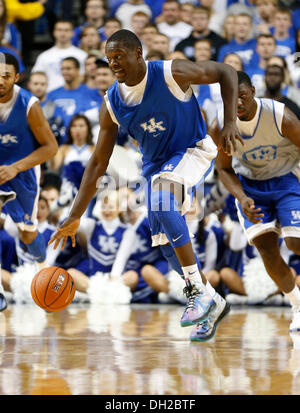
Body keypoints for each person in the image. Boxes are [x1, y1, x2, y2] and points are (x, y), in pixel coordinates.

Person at [49, 29, 241, 342]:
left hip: (192, 149)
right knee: (165, 246)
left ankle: (198, 293)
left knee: (165, 202)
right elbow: (98, 163)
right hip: (154, 167)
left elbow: (226, 72)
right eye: (109, 59)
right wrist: (75, 215)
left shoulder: (170, 72)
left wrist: (230, 121)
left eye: (119, 57)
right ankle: (212, 300)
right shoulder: (111, 101)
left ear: (138, 53)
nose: (113, 64)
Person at [209, 70, 300, 332]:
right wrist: (242, 197)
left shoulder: (280, 114)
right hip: (250, 186)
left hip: (286, 178)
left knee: (295, 242)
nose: (237, 103)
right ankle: (297, 305)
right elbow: (223, 169)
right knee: (267, 249)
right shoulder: (219, 125)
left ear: (253, 93)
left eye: (242, 96)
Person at [0, 52, 58, 311]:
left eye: (6, 76)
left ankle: (42, 266)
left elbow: (50, 148)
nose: (0, 81)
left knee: (27, 232)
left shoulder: (28, 104)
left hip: (22, 173)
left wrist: (15, 167)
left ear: (17, 77)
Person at [31, 20, 88, 92]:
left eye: (66, 30)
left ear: (72, 33)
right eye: (59, 30)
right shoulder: (44, 56)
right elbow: (36, 77)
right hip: (50, 97)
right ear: (54, 32)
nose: (63, 33)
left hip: (76, 95)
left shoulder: (82, 55)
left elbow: (86, 78)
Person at [27, 71, 66, 146]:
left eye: (42, 84)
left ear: (47, 85)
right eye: (35, 84)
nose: (39, 87)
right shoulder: (20, 106)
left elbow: (60, 136)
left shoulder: (56, 108)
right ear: (29, 85)